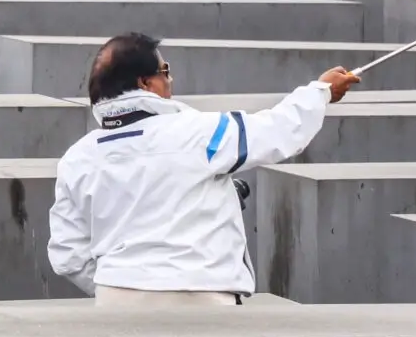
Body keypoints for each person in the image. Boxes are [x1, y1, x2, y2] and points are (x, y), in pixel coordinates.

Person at [48, 32, 360, 307]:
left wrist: (121, 284)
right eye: (165, 71)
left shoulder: (77, 159)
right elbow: (278, 131)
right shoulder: (202, 132)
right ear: (145, 83)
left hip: (114, 301)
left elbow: (68, 254)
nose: (170, 80)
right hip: (201, 297)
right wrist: (320, 92)